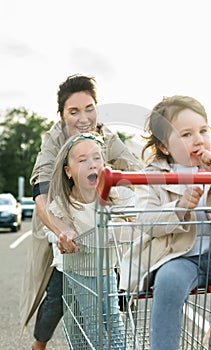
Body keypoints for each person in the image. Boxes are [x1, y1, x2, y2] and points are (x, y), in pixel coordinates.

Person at [19, 74, 142, 350]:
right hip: (60, 224)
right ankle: (39, 344)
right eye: (74, 111)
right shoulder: (53, 140)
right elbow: (41, 190)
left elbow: (132, 168)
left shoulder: (105, 134)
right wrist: (61, 228)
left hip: (97, 227)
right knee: (56, 298)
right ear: (62, 115)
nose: (83, 118)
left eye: (89, 108)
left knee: (108, 300)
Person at [119, 95, 211, 350]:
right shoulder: (152, 176)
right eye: (186, 134)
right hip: (178, 256)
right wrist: (180, 207)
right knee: (168, 283)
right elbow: (145, 220)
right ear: (165, 147)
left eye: (203, 131)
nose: (199, 139)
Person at [45, 132, 132, 349]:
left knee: (112, 316)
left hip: (106, 268)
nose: (91, 164)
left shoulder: (115, 195)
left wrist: (131, 218)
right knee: (92, 320)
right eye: (82, 160)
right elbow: (52, 228)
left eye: (96, 158)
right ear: (69, 171)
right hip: (78, 270)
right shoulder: (64, 204)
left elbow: (135, 211)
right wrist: (61, 237)